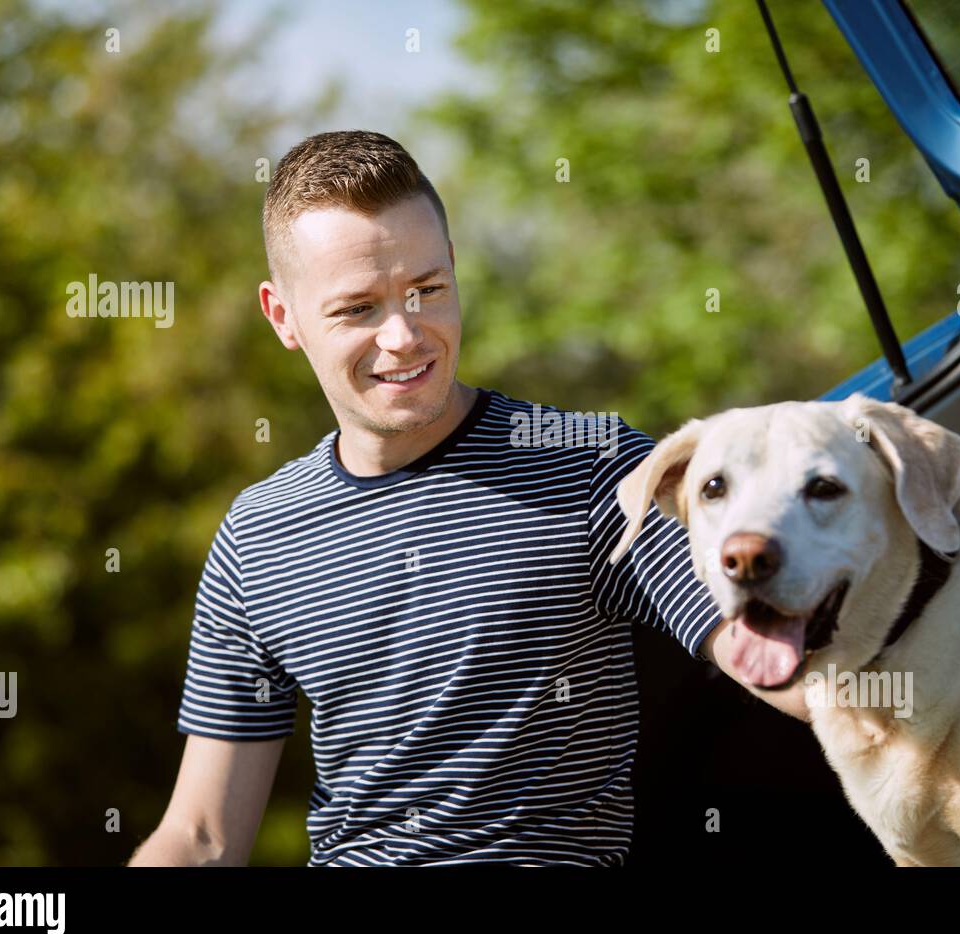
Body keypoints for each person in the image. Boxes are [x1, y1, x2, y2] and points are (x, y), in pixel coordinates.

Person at [128, 130, 792, 866]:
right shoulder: (258, 534)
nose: (405, 335)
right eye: (358, 309)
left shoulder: (593, 468)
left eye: (427, 290)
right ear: (282, 316)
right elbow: (201, 835)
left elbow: (771, 656)